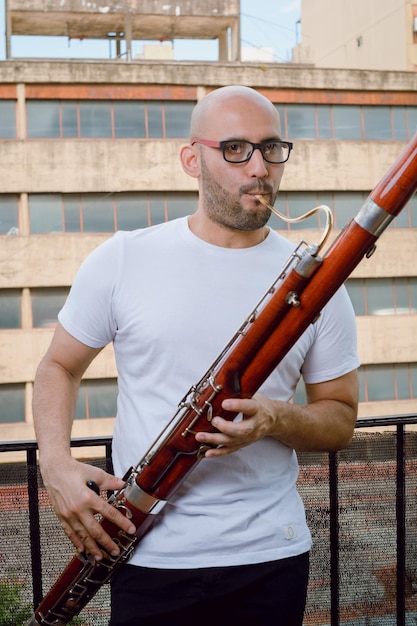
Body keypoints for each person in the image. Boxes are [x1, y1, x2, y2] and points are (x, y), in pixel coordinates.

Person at [33, 85, 359, 625]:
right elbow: (58, 366)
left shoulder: (323, 285)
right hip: (147, 553)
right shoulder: (124, 258)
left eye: (271, 148)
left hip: (270, 557)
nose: (258, 167)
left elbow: (341, 418)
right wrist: (55, 464)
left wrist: (275, 418)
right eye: (234, 148)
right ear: (192, 159)